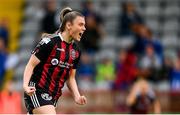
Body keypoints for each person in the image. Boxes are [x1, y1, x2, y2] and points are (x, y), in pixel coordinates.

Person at [23, 7, 87, 114]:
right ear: (69, 25)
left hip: (53, 96)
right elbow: (30, 65)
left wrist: (77, 96)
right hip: (37, 91)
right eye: (80, 24)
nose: (84, 28)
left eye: (84, 25)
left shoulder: (76, 51)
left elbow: (71, 78)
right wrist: (25, 85)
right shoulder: (49, 42)